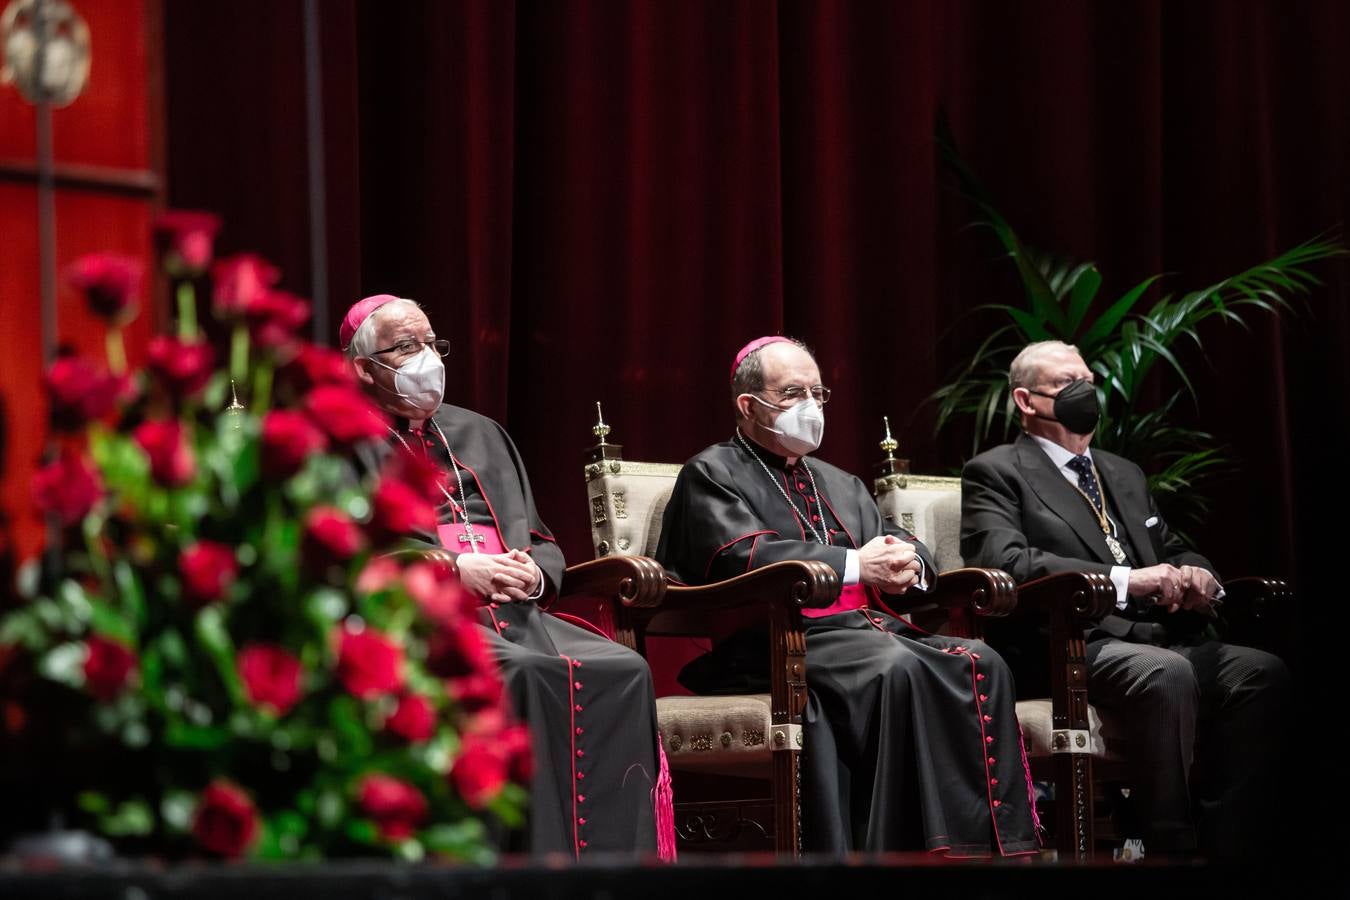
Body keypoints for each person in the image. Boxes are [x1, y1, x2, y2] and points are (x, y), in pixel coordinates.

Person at [655, 336, 1039, 857]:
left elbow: (899, 543)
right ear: (748, 406)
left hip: (859, 635)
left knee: (983, 660)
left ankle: (992, 843)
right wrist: (859, 565)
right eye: (792, 394)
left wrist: (910, 566)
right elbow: (739, 558)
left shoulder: (841, 482)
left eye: (818, 392)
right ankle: (900, 850)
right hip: (771, 641)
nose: (811, 407)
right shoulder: (712, 473)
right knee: (892, 668)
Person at [340, 294, 671, 859]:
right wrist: (453, 569)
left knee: (626, 668)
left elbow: (540, 538)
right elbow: (350, 549)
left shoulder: (483, 433)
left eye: (431, 344)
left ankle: (622, 869)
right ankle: (529, 864)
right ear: (361, 367)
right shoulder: (343, 437)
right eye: (405, 347)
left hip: (516, 610)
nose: (427, 358)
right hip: (421, 618)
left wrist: (534, 575)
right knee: (521, 672)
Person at [960, 339, 1289, 860]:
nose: (1085, 393)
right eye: (1068, 384)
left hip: (1156, 636)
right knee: (1165, 672)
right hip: (1071, 645)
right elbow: (1008, 563)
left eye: (1089, 382)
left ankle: (1229, 846)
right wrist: (1124, 580)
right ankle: (1167, 844)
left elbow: (1172, 546)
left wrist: (1199, 575)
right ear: (1026, 401)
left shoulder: (1122, 472)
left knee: (1261, 672)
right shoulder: (997, 471)